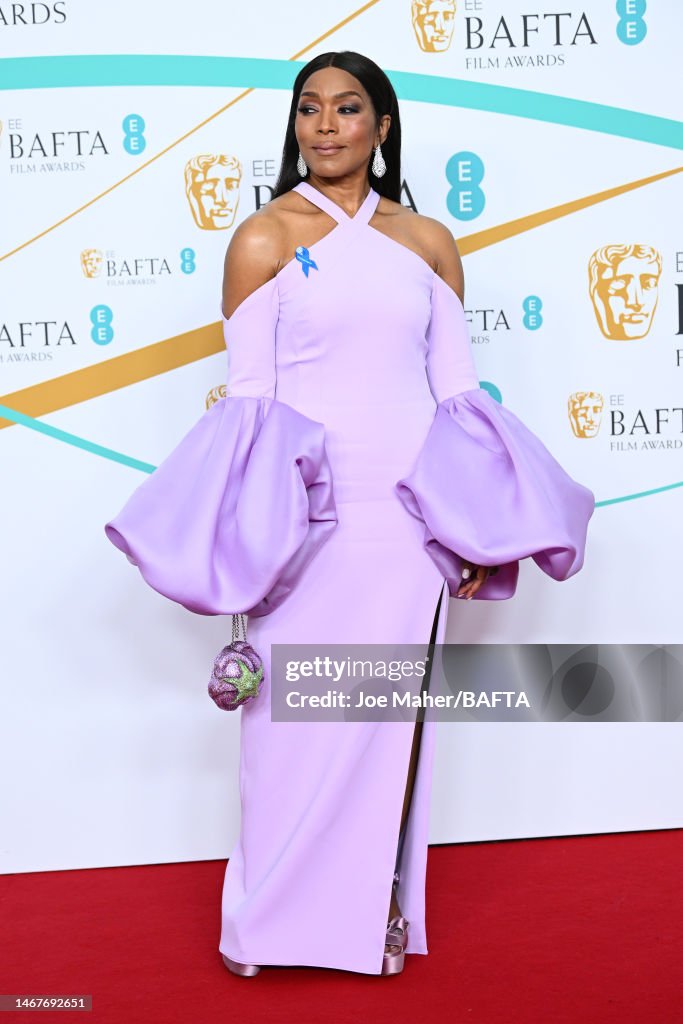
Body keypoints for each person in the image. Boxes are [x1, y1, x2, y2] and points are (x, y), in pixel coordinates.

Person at [104, 50, 595, 977]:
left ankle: (373, 914)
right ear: (294, 127)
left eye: (348, 108)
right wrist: (252, 526)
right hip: (308, 512)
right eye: (309, 109)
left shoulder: (426, 242)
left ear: (380, 125)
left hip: (405, 520)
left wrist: (489, 510)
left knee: (385, 722)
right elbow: (248, 399)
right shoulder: (260, 238)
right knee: (288, 724)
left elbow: (455, 394)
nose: (326, 125)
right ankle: (267, 924)